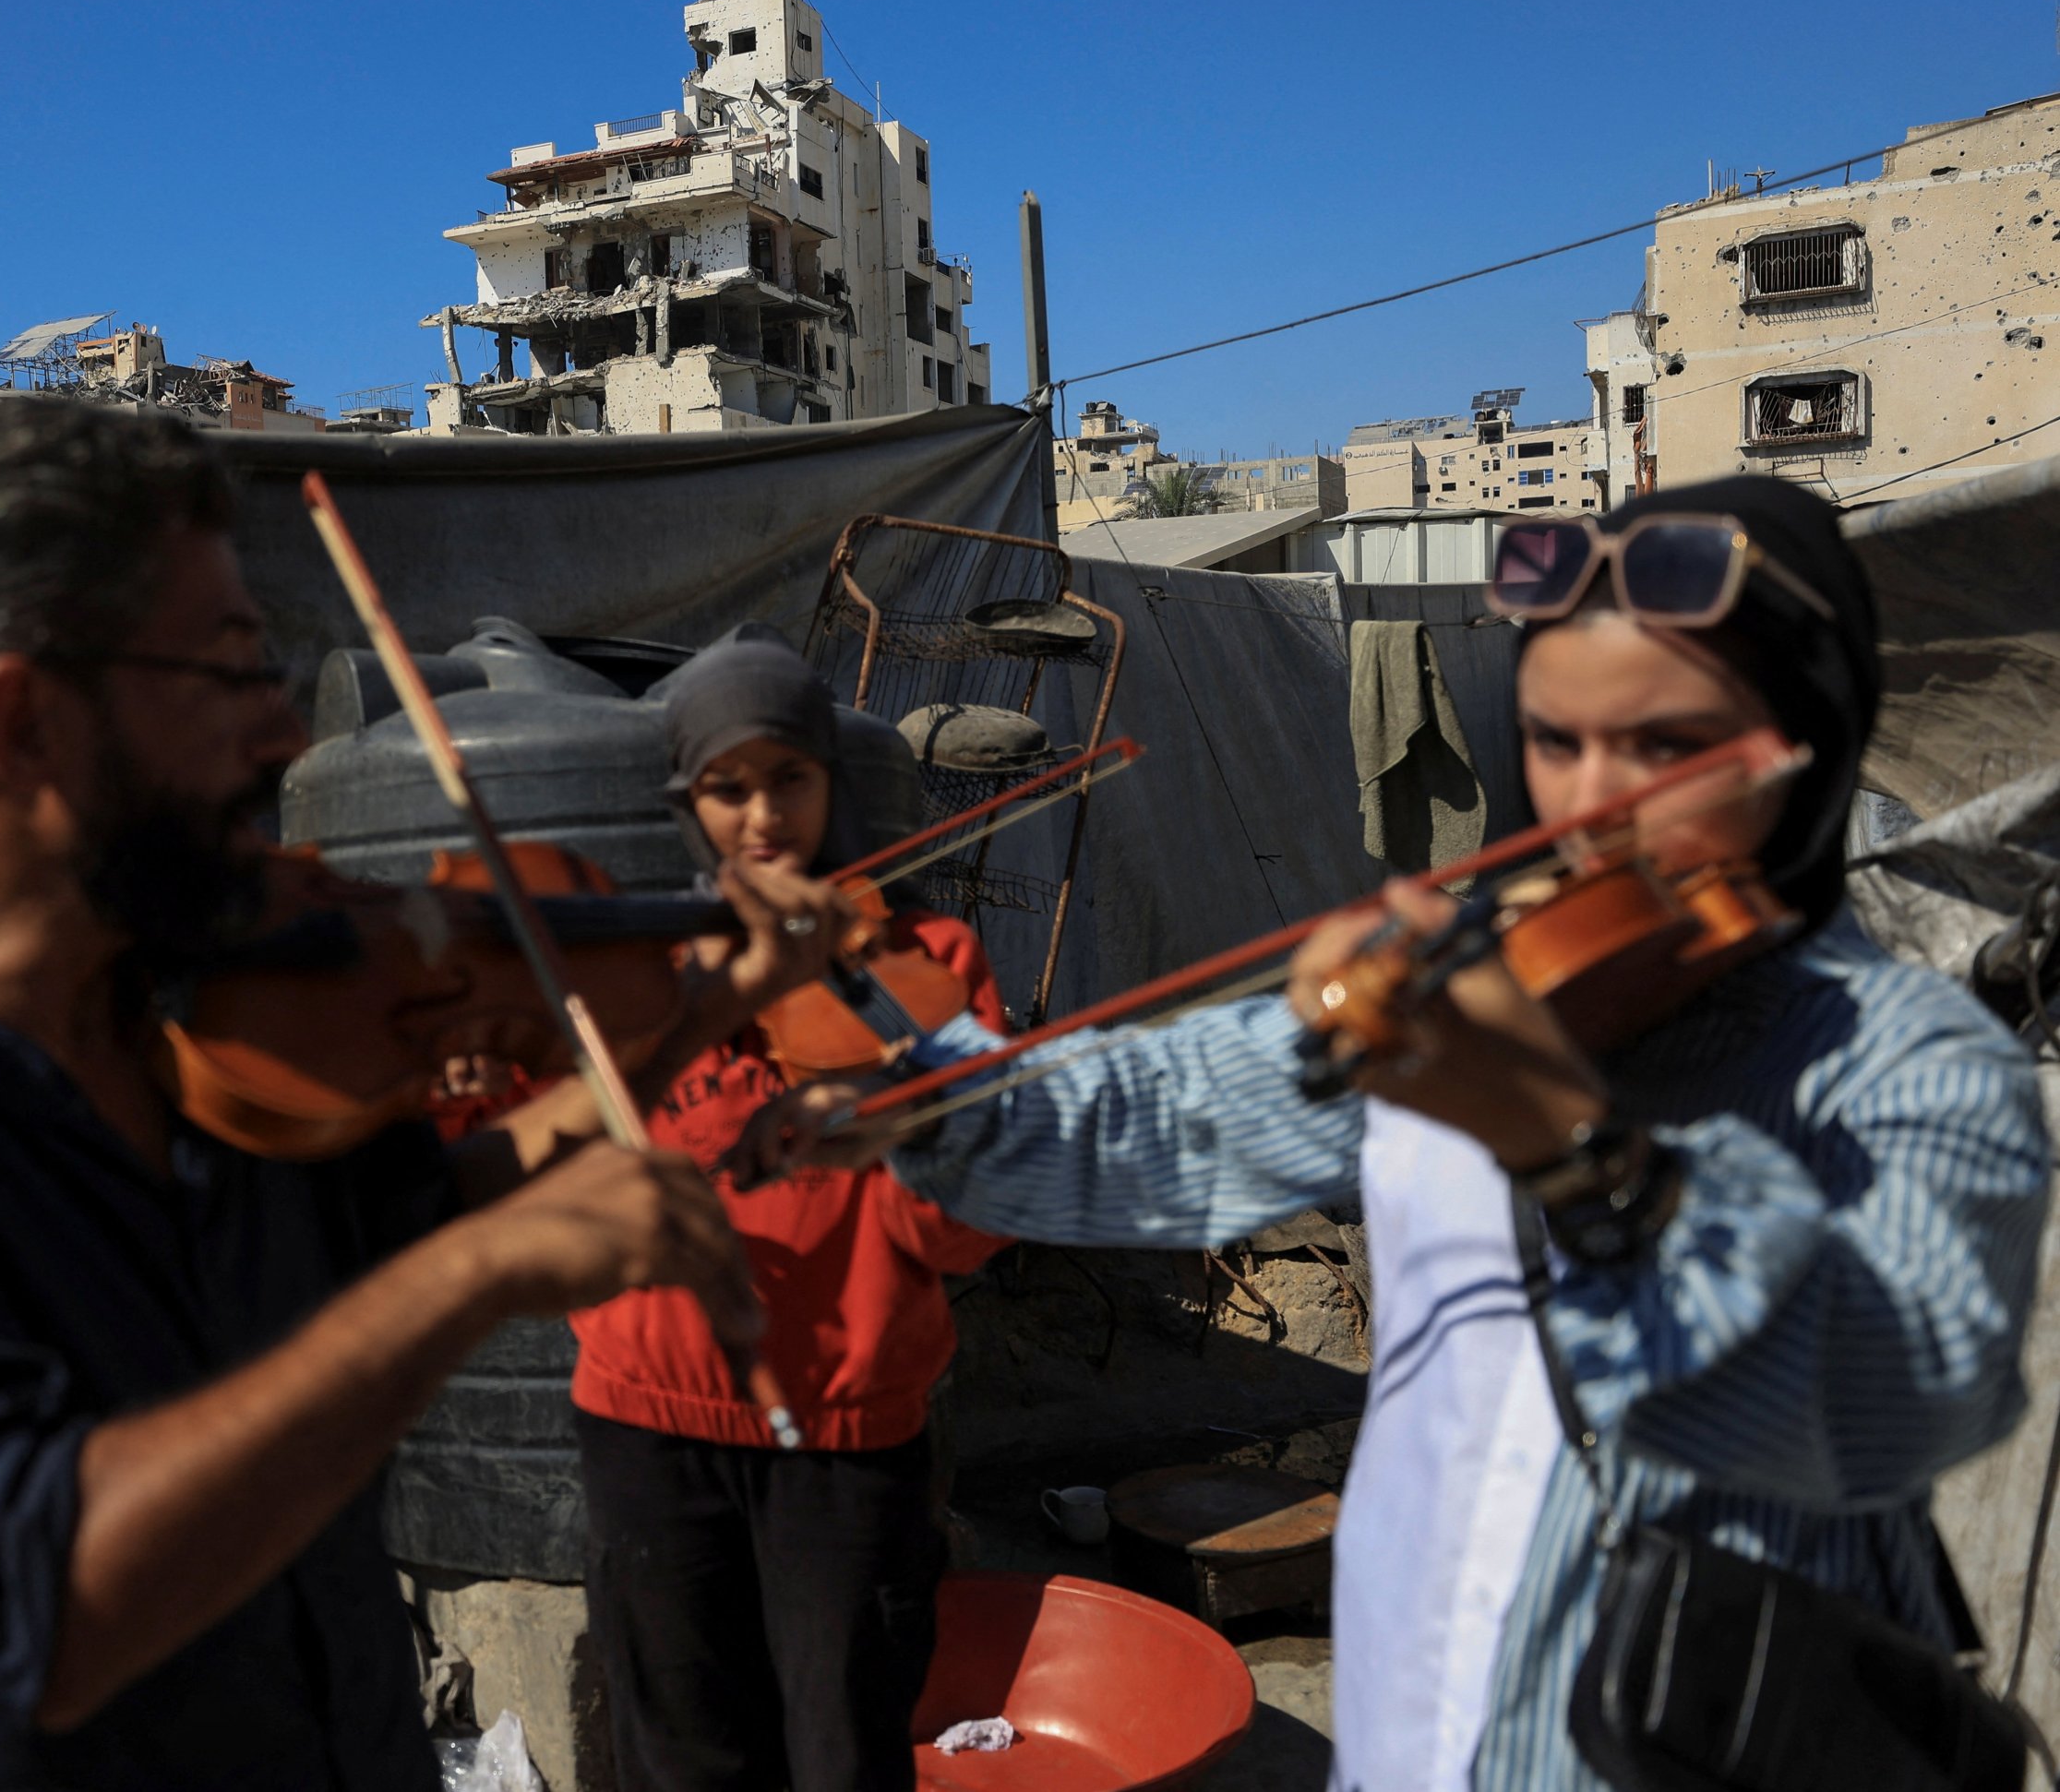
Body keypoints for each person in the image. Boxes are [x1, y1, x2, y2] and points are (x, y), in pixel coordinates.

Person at [745, 479, 2050, 1791]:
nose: (1593, 805)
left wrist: (1578, 1150)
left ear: (1805, 747)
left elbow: (1894, 1397)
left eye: (1666, 746)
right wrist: (873, 1017)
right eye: (1556, 739)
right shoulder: (1477, 981)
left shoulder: (1913, 1061)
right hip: (1410, 1725)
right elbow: (1127, 1124)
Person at [0, 402, 848, 1792]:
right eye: (227, 673)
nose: (281, 729)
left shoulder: (209, 1012)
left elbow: (429, 1219)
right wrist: (481, 1272)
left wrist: (703, 1013)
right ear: (22, 721)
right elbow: (33, 1610)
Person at [567, 627, 1012, 1792]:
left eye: (789, 779)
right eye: (728, 787)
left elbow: (967, 1234)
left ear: (830, 781)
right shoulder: (644, 972)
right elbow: (557, 1195)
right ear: (688, 802)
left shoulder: (925, 961)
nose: (763, 816)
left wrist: (911, 1119)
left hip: (846, 1438)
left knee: (845, 1757)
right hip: (650, 1427)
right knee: (684, 1758)